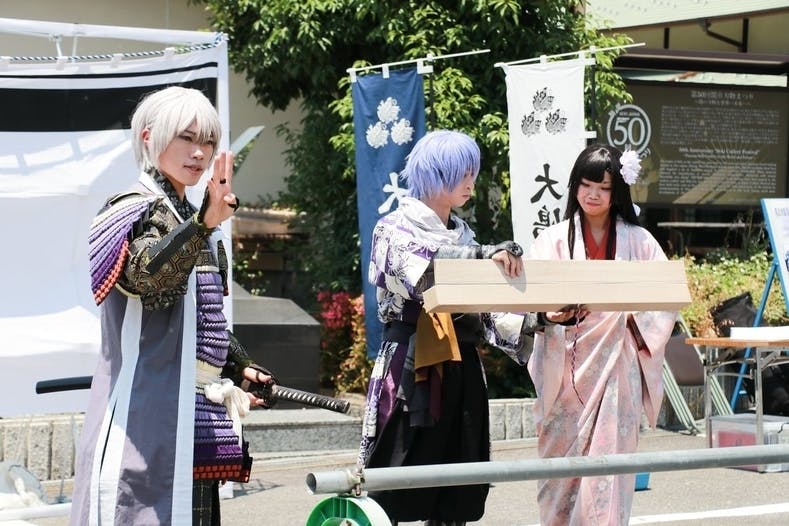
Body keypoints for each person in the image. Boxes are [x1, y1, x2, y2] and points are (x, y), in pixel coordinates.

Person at [71, 86, 275, 525]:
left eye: (208, 142)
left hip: (198, 409)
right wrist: (202, 224)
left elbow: (201, 316)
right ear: (149, 137)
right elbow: (147, 279)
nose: (199, 153)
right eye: (187, 137)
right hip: (145, 409)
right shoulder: (129, 210)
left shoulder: (197, 218)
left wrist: (240, 363)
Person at [358, 130, 530, 526]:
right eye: (461, 174)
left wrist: (541, 319)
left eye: (472, 174)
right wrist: (483, 256)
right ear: (434, 173)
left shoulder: (466, 236)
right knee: (394, 473)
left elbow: (485, 310)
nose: (470, 183)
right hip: (409, 361)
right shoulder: (392, 228)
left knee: (459, 474)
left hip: (462, 361)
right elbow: (421, 275)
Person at [525, 144, 677, 525]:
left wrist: (626, 320)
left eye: (604, 188)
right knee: (559, 476)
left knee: (608, 473)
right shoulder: (552, 240)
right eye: (586, 184)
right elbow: (526, 302)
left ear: (617, 192)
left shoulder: (639, 242)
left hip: (616, 370)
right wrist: (547, 314)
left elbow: (666, 298)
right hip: (565, 372)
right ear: (574, 186)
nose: (592, 194)